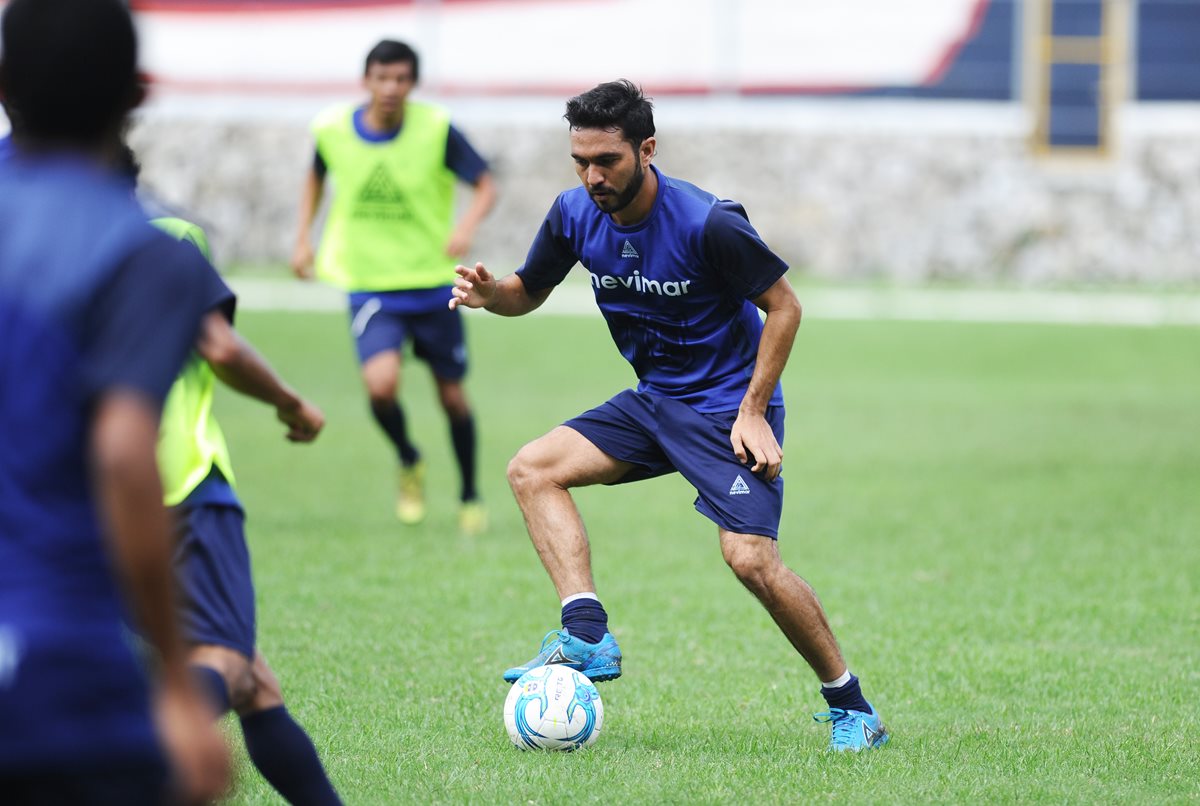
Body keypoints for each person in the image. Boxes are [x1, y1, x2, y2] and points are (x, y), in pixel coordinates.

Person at [450, 80, 889, 752]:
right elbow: (526, 291)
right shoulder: (574, 214)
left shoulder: (706, 221)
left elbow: (786, 307)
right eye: (581, 161)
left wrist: (752, 410)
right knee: (532, 469)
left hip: (725, 409)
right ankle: (587, 633)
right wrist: (490, 296)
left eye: (608, 161)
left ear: (646, 149)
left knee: (750, 561)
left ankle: (853, 708)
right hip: (656, 402)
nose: (593, 176)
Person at [0, 0, 231, 801]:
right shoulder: (144, 254)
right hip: (59, 664)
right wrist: (173, 678)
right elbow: (127, 453)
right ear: (138, 94)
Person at [122, 147, 343, 804]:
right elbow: (216, 345)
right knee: (224, 661)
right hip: (172, 481)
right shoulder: (163, 234)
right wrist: (290, 401)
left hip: (51, 493)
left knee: (255, 685)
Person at [291, 39, 496, 534]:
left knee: (452, 399)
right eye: (382, 78)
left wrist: (466, 224)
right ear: (366, 80)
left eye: (401, 79)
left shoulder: (437, 129)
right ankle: (409, 459)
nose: (391, 88)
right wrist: (303, 237)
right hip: (370, 284)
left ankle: (469, 493)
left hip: (432, 283)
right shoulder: (332, 129)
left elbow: (486, 182)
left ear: (413, 83)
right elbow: (316, 176)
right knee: (380, 389)